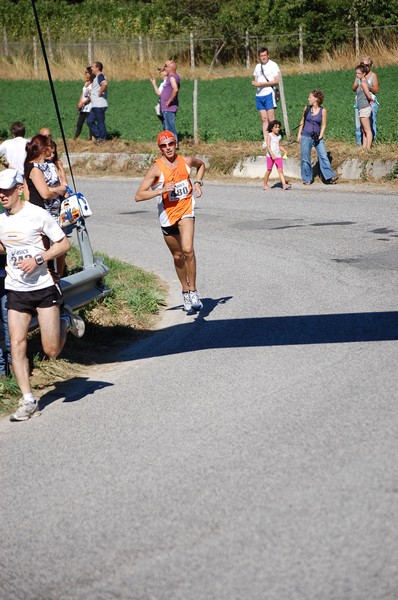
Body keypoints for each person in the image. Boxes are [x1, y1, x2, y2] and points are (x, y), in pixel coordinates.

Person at [0, 168, 85, 422]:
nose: (2, 195)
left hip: (43, 287)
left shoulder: (37, 215)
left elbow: (63, 244)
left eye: (6, 190)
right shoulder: (1, 219)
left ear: (18, 190)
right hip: (16, 289)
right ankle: (27, 399)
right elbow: (5, 246)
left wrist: (39, 258)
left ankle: (65, 321)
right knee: (16, 343)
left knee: (50, 351)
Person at [135, 131, 205, 313]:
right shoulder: (156, 168)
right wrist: (161, 190)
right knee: (178, 256)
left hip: (186, 210)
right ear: (159, 148)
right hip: (167, 216)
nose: (168, 148)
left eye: (171, 144)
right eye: (163, 145)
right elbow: (139, 195)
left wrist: (198, 183)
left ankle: (194, 291)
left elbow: (202, 165)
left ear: (176, 144)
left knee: (188, 250)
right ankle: (185, 290)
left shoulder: (187, 161)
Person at [297, 89, 338, 185]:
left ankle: (330, 177)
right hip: (306, 136)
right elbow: (302, 121)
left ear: (316, 99)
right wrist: (299, 134)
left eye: (310, 97)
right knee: (305, 158)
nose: (308, 99)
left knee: (323, 156)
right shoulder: (306, 108)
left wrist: (321, 135)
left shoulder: (323, 111)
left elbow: (323, 124)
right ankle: (307, 178)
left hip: (317, 137)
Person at [252, 47, 280, 149]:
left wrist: (263, 84)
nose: (263, 57)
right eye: (261, 56)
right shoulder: (257, 66)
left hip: (269, 93)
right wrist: (255, 83)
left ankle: (274, 139)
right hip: (259, 95)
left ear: (268, 55)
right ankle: (266, 140)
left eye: (264, 55)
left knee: (271, 118)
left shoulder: (273, 65)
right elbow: (256, 80)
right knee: (264, 119)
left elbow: (277, 80)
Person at [353, 57, 379, 145]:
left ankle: (371, 144)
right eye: (362, 64)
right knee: (359, 126)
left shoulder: (373, 76)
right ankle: (360, 144)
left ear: (370, 66)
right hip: (359, 103)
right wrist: (357, 85)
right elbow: (353, 88)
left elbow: (376, 90)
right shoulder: (358, 76)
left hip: (368, 103)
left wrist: (367, 86)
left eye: (366, 65)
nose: (364, 66)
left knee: (371, 124)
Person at [263, 120, 291, 191]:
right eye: (276, 127)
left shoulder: (279, 136)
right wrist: (272, 155)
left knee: (280, 170)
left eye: (278, 127)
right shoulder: (269, 136)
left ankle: (284, 184)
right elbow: (268, 147)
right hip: (270, 156)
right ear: (272, 128)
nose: (278, 129)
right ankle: (265, 185)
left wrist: (284, 150)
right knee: (269, 170)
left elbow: (279, 145)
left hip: (278, 156)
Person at [353, 64, 373, 150]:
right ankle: (364, 147)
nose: (357, 75)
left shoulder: (363, 83)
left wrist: (370, 101)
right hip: (361, 107)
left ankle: (368, 148)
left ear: (364, 73)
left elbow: (369, 96)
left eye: (358, 73)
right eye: (356, 73)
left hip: (365, 107)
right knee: (363, 129)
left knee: (367, 129)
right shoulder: (360, 82)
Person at [160, 61, 180, 146]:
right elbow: (162, 70)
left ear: (171, 69)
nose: (165, 68)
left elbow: (175, 89)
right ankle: (167, 144)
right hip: (166, 107)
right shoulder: (173, 76)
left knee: (170, 127)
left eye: (167, 67)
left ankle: (174, 144)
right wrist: (165, 64)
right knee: (166, 127)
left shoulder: (172, 77)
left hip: (169, 106)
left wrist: (169, 101)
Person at [87, 61, 108, 143]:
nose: (91, 68)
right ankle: (100, 136)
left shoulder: (100, 76)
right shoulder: (97, 77)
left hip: (99, 104)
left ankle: (102, 139)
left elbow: (104, 84)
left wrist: (99, 92)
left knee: (100, 122)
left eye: (93, 67)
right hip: (95, 105)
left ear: (97, 68)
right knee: (90, 121)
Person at [74, 66, 94, 139]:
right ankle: (76, 137)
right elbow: (82, 93)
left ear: (90, 73)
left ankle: (91, 138)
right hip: (83, 107)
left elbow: (91, 96)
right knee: (79, 123)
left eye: (86, 72)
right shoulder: (86, 83)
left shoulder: (93, 83)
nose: (85, 74)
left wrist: (83, 103)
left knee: (90, 123)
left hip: (90, 107)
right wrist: (80, 102)